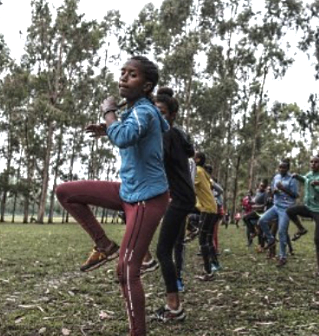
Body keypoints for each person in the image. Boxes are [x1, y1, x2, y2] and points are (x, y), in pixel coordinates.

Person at [56, 55, 170, 336]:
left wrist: (109, 114)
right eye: (122, 72)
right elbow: (126, 133)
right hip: (128, 191)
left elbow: (124, 137)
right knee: (66, 192)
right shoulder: (136, 111)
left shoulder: (144, 111)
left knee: (127, 271)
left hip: (146, 199)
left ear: (146, 86)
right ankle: (104, 245)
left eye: (132, 75)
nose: (123, 78)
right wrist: (110, 127)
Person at [150, 87, 195, 322]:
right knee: (171, 247)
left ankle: (174, 307)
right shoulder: (177, 134)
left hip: (179, 198)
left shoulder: (167, 135)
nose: (159, 116)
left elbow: (155, 158)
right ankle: (174, 303)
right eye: (155, 112)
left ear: (173, 114)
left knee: (162, 251)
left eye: (163, 112)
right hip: (182, 197)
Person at [286, 155, 319, 275]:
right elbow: (304, 179)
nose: (313, 164)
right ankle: (301, 229)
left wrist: (316, 184)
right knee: (290, 211)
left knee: (317, 238)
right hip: (308, 208)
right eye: (311, 162)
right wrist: (297, 176)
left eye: (316, 162)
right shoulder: (309, 174)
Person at [258, 159, 299, 267]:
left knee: (282, 232)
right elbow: (272, 189)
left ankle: (283, 257)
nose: (281, 169)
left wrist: (283, 189)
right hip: (276, 206)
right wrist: (271, 191)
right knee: (262, 221)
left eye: (284, 167)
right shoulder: (276, 177)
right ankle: (271, 239)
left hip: (286, 208)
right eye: (280, 167)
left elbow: (295, 195)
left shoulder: (292, 179)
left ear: (288, 168)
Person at [193, 152, 219, 280]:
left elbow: (190, 185)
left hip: (207, 208)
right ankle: (213, 264)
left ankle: (208, 272)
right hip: (210, 207)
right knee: (207, 239)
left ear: (197, 159)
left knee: (202, 239)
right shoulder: (203, 171)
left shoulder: (197, 171)